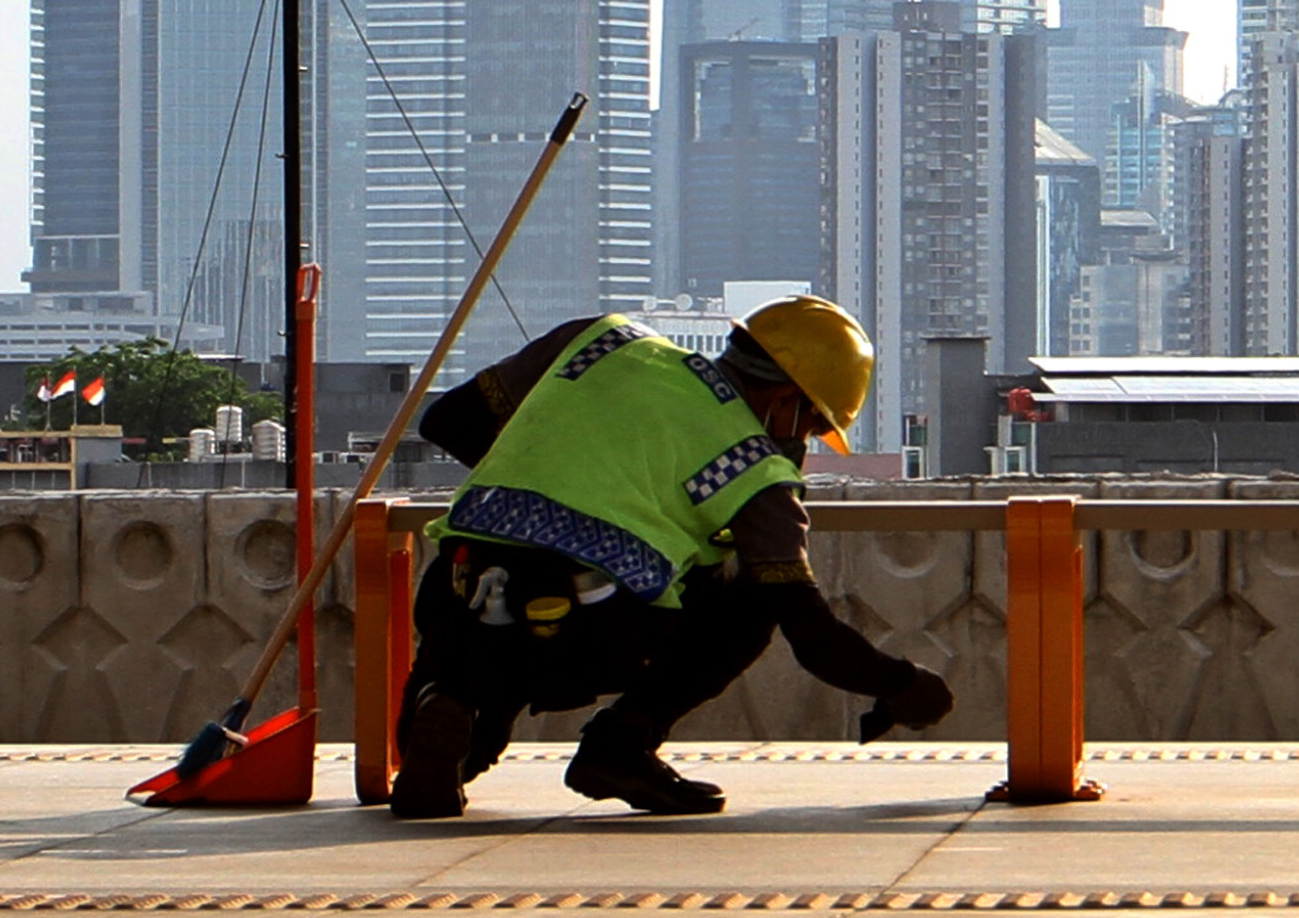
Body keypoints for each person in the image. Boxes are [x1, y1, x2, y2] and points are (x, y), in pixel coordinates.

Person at [388, 294, 955, 818]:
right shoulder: (759, 471)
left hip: (459, 580)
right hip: (597, 626)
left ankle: (448, 709)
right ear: (786, 399)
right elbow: (811, 635)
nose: (802, 441)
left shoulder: (604, 338)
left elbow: (447, 420)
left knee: (472, 677)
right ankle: (621, 742)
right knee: (751, 602)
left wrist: (549, 483)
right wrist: (905, 685)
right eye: (811, 424)